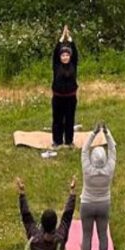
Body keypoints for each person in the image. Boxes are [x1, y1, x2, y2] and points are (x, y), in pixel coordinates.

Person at [79, 122, 117, 250]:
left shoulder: (87, 169)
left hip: (87, 204)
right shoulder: (109, 169)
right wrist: (107, 134)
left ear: (93, 159)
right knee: (103, 234)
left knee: (87, 235)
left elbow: (84, 150)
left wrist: (93, 133)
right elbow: (113, 149)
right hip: (103, 204)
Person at [47, 25, 79, 155]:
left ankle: (69, 141)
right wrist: (61, 39)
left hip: (71, 97)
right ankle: (57, 141)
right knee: (58, 120)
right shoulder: (56, 66)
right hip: (58, 97)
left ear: (70, 57)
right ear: (60, 57)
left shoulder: (73, 65)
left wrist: (70, 39)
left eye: (67, 55)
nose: (65, 57)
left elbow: (75, 53)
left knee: (70, 119)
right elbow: (55, 54)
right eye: (63, 55)